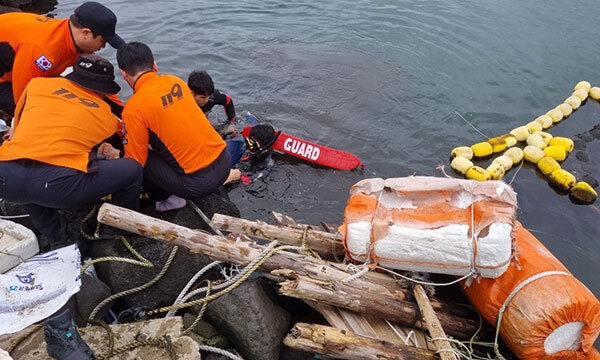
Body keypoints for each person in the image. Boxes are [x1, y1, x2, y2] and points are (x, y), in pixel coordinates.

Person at [0, 54, 142, 250]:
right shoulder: (105, 116)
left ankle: (56, 236)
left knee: (26, 174)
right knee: (132, 170)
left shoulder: (36, 85)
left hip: (6, 178)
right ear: (103, 91)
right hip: (56, 186)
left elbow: (19, 124)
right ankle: (117, 229)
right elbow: (91, 153)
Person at [116, 42, 231, 212]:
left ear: (123, 74)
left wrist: (115, 156)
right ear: (154, 65)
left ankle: (170, 199)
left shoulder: (134, 108)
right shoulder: (175, 81)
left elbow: (135, 163)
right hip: (225, 161)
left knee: (137, 156)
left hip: (197, 185)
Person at [0, 1, 125, 119]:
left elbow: (98, 81)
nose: (103, 47)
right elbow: (22, 100)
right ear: (86, 33)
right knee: (45, 109)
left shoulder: (72, 36)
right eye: (103, 42)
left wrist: (123, 113)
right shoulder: (43, 51)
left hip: (18, 66)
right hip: (8, 78)